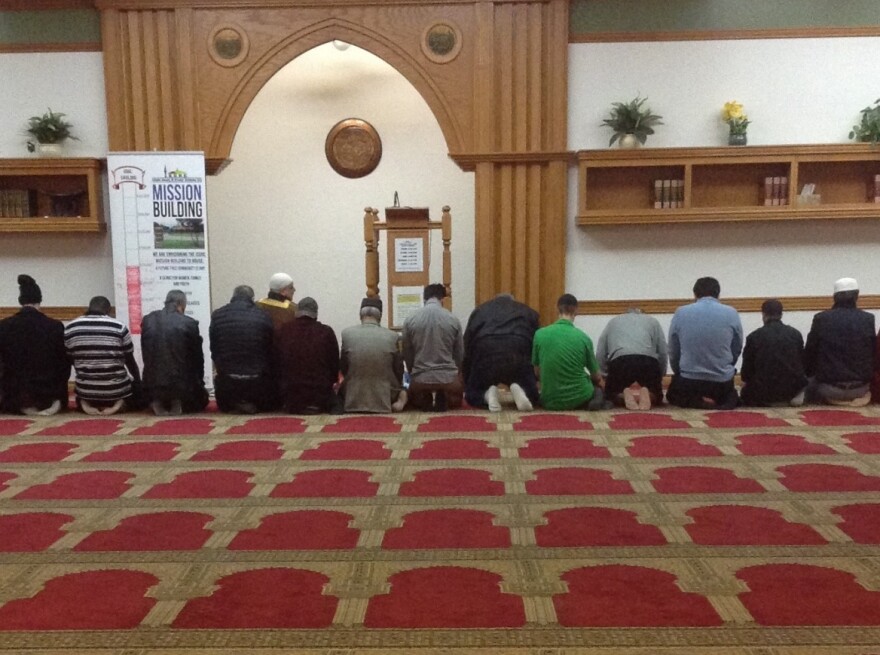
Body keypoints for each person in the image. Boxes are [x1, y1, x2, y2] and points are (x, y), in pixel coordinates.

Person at [0, 274, 70, 416]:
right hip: (48, 396)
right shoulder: (54, 326)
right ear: (40, 300)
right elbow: (64, 364)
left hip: (15, 397)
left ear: (20, 301)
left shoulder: (4, 326)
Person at [64, 295, 142, 415]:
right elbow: (129, 360)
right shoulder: (118, 327)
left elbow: (70, 360)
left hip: (86, 389)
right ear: (108, 311)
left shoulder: (70, 328)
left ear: (88, 308)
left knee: (82, 392)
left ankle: (85, 404)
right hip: (116, 389)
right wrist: (138, 382)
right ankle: (119, 404)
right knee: (141, 396)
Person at [804, 277, 875, 406]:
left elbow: (809, 355)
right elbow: (873, 354)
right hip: (861, 389)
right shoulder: (868, 319)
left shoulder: (821, 319)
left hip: (827, 389)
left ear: (834, 297)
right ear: (857, 296)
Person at [463, 293, 539, 412]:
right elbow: (538, 342)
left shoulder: (479, 311)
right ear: (513, 300)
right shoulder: (528, 312)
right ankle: (522, 390)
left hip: (486, 352)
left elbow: (466, 346)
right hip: (517, 351)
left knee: (472, 394)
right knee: (533, 396)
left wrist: (468, 380)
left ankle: (486, 395)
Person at [531, 293, 607, 410]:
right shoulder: (583, 338)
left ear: (557, 309)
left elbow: (537, 372)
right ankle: (597, 403)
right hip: (581, 397)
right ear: (576, 311)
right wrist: (603, 385)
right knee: (598, 391)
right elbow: (596, 376)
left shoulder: (539, 334)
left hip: (549, 401)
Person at [209, 284, 277, 413]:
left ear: (233, 297)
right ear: (252, 298)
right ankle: (248, 403)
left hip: (227, 383)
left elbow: (214, 349)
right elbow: (270, 351)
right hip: (257, 383)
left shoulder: (218, 315)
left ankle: (237, 403)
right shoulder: (263, 316)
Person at [141, 289, 208, 415]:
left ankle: (158, 400)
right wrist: (200, 383)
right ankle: (177, 401)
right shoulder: (189, 323)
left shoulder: (147, 320)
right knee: (202, 400)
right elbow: (198, 359)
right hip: (181, 386)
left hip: (152, 385)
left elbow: (146, 354)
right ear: (182, 305)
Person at [402, 283, 463, 411]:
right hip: (448, 379)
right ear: (442, 300)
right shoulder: (453, 319)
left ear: (424, 299)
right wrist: (456, 373)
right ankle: (444, 394)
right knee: (457, 400)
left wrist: (413, 372)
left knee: (412, 397)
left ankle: (425, 396)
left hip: (420, 378)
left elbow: (407, 353)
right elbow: (459, 354)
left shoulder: (410, 320)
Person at [340, 297, 407, 413]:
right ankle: (399, 404)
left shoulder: (346, 334)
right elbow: (399, 370)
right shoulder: (392, 336)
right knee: (404, 392)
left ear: (360, 315)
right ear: (380, 316)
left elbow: (344, 368)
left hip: (352, 395)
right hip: (385, 396)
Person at [275, 296, 340, 413]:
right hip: (320, 395)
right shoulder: (326, 332)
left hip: (291, 396)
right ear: (315, 314)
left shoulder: (284, 330)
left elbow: (276, 361)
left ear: (297, 312)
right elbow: (334, 365)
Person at [595, 307, 668, 410]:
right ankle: (649, 394)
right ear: (642, 313)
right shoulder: (652, 321)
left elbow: (601, 351)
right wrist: (660, 374)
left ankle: (623, 395)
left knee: (610, 394)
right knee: (658, 395)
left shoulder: (613, 321)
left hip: (621, 361)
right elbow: (663, 351)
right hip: (648, 361)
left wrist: (604, 375)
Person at [740, 299, 808, 407]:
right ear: (781, 314)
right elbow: (803, 364)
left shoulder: (754, 337)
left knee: (744, 392)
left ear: (763, 315)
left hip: (763, 392)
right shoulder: (795, 334)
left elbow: (746, 374)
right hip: (791, 391)